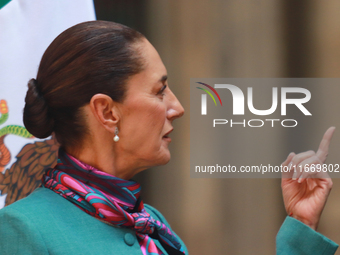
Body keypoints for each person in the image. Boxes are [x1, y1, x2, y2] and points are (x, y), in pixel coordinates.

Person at [0, 20, 337, 255]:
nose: (177, 107)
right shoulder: (22, 230)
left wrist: (300, 223)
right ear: (106, 112)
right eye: (160, 91)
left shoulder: (153, 226)